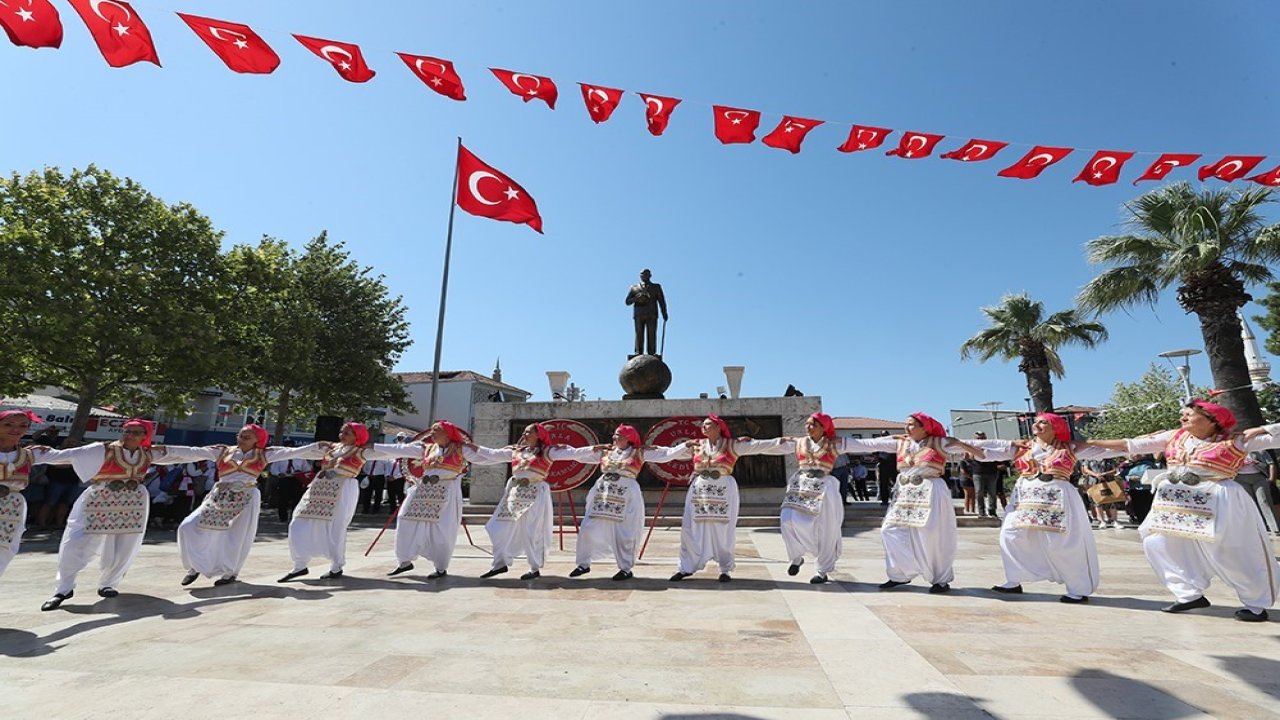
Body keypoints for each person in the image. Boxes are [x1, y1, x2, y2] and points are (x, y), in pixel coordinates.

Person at [1089, 401, 1280, 622]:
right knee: (1157, 542)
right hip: (1176, 501)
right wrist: (1087, 442)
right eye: (1183, 414)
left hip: (1219, 498)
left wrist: (1265, 429)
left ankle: (1256, 603)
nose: (1183, 418)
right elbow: (1130, 445)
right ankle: (1188, 594)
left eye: (1189, 414)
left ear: (1211, 419)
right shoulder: (1174, 436)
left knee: (1230, 552)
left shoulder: (1236, 439)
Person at [36, 419, 196, 610]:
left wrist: (217, 452)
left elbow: (185, 453)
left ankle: (109, 583)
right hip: (100, 498)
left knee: (124, 545)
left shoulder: (150, 453)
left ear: (145, 436)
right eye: (127, 431)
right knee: (77, 540)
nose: (130, 435)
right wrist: (32, 454)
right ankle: (63, 588)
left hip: (132, 502)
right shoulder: (103, 449)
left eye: (136, 432)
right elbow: (65, 456)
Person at [974, 414, 1126, 603]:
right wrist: (959, 444)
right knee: (1010, 534)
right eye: (1036, 422)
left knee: (1061, 543)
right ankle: (1014, 579)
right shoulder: (1021, 447)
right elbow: (983, 453)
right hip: (1025, 498)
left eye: (1043, 422)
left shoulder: (1070, 448)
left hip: (1057, 497)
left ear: (1056, 428)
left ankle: (1077, 589)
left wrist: (1097, 442)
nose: (1037, 424)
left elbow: (1112, 450)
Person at [838, 413, 985, 594]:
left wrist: (961, 444)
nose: (907, 428)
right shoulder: (900, 442)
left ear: (924, 427)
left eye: (912, 425)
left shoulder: (940, 442)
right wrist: (838, 442)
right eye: (906, 424)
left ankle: (940, 579)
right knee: (889, 530)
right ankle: (901, 574)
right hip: (905, 494)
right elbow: (868, 444)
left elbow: (981, 452)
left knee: (931, 534)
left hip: (931, 490)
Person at [164, 425, 323, 587]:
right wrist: (162, 450)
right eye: (240, 436)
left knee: (235, 537)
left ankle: (230, 572)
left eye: (247, 437)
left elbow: (295, 452)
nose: (241, 440)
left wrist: (323, 447)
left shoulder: (264, 454)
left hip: (246, 496)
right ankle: (194, 566)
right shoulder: (223, 451)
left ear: (257, 440)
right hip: (220, 496)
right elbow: (192, 452)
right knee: (188, 526)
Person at [278, 422, 426, 582]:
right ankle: (300, 565)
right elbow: (300, 452)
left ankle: (336, 566)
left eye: (348, 433)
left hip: (342, 489)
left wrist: (423, 447)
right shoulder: (330, 448)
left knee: (335, 527)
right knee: (298, 523)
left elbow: (392, 452)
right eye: (342, 431)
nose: (342, 435)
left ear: (358, 436)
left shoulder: (363, 451)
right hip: (317, 489)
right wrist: (317, 444)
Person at [664, 415, 790, 582]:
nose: (704, 427)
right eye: (703, 425)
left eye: (708, 424)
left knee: (723, 530)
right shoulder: (696, 445)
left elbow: (761, 446)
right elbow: (668, 453)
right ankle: (686, 567)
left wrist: (790, 442)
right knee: (691, 529)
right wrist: (643, 450)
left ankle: (725, 568)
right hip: (699, 493)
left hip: (723, 490)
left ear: (719, 427)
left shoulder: (733, 444)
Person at [562, 424, 686, 581]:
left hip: (626, 495)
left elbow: (667, 454)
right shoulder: (606, 452)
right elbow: (576, 456)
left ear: (629, 438)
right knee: (588, 527)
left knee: (625, 532)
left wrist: (685, 445)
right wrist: (593, 448)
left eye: (619, 435)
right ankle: (583, 564)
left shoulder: (639, 452)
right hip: (603, 495)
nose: (614, 438)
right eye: (614, 435)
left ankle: (626, 568)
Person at [767, 413, 881, 584]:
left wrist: (899, 441)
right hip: (800, 485)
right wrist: (745, 443)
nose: (808, 427)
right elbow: (770, 445)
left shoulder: (834, 443)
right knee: (787, 519)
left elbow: (866, 444)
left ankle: (822, 570)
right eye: (807, 424)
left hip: (824, 487)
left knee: (825, 528)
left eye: (812, 424)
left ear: (823, 427)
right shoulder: (799, 442)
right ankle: (796, 557)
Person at [470, 423, 587, 580]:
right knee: (497, 527)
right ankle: (500, 563)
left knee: (532, 531)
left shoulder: (548, 451)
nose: (524, 435)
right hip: (515, 495)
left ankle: (534, 567)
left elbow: (574, 453)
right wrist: (471, 446)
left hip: (535, 493)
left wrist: (596, 449)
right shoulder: (516, 451)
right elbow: (492, 454)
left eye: (528, 432)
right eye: (524, 432)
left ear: (538, 435)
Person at [387, 421, 487, 580]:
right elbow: (397, 449)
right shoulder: (426, 448)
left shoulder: (461, 449)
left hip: (446, 491)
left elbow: (487, 457)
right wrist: (371, 446)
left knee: (442, 529)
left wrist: (511, 453)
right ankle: (404, 561)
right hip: (423, 491)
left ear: (447, 434)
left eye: (436, 431)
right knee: (405, 519)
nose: (431, 434)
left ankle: (440, 567)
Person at [0, 410, 44, 579]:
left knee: (5, 550)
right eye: (8, 424)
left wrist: (102, 448)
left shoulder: (29, 454)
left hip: (12, 506)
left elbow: (66, 456)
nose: (15, 429)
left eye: (22, 425)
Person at [625, 268, 669, 356]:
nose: (644, 276)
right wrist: (637, 298)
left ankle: (651, 352)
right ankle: (638, 352)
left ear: (650, 276)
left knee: (651, 333)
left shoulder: (656, 287)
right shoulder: (634, 288)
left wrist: (664, 313)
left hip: (652, 314)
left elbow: (661, 301)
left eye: (646, 274)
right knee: (639, 333)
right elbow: (627, 301)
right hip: (639, 314)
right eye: (642, 274)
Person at [1235, 449, 1279, 534]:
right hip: (1241, 478)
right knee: (1250, 503)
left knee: (1264, 501)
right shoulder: (1234, 450)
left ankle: (1274, 527)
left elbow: (1271, 463)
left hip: (1258, 478)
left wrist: (1271, 479)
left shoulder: (1259, 449)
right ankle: (1257, 527)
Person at [1081, 456, 1122, 529]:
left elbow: (1115, 470)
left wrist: (1104, 473)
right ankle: (1101, 521)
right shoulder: (1089, 458)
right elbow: (1085, 470)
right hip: (1094, 481)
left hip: (1108, 481)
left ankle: (1114, 520)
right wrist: (1096, 474)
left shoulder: (1109, 458)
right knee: (1097, 501)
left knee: (1112, 501)